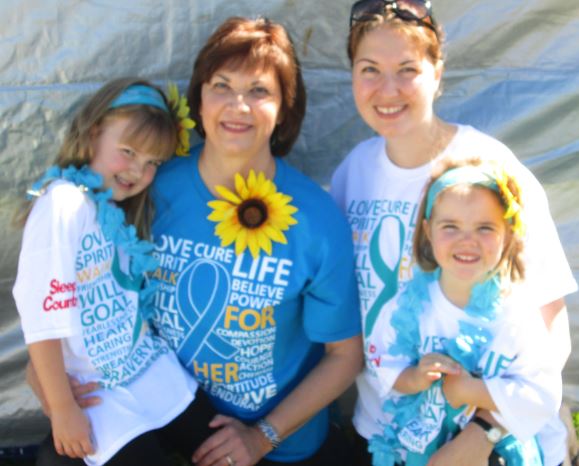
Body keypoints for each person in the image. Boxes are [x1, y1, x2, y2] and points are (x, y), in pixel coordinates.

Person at [330, 1, 577, 465]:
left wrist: (484, 430)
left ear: (437, 72)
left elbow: (549, 321)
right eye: (370, 70)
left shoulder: (488, 168)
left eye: (407, 69)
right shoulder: (354, 172)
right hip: (388, 433)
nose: (388, 89)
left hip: (486, 442)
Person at [149, 17, 363, 466]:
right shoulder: (152, 188)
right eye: (221, 85)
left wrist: (262, 437)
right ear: (200, 99)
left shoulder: (317, 220)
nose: (238, 105)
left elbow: (344, 356)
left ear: (285, 107)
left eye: (259, 91)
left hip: (277, 442)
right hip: (164, 416)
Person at [14, 78, 216, 466]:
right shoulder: (62, 204)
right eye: (128, 151)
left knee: (219, 445)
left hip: (146, 366)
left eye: (153, 162)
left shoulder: (116, 211)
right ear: (94, 133)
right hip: (95, 390)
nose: (137, 170)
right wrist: (61, 408)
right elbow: (42, 321)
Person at [367, 157, 561, 465]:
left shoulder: (516, 315)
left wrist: (472, 391)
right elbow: (385, 365)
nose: (467, 241)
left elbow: (542, 395)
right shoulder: (408, 307)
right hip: (421, 447)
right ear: (428, 231)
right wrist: (416, 377)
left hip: (498, 454)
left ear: (508, 233)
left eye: (484, 227)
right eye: (451, 227)